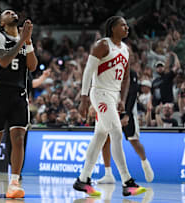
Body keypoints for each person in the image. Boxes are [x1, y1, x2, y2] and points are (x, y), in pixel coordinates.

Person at [74, 16, 146, 197]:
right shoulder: (102, 45)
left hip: (113, 96)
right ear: (112, 28)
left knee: (99, 136)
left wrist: (122, 99)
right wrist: (84, 98)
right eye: (123, 25)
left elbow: (127, 78)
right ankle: (127, 181)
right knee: (116, 132)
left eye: (127, 25)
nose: (127, 27)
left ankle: (83, 180)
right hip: (100, 93)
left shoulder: (126, 50)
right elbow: (88, 71)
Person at [0, 7, 37, 198]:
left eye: (13, 12)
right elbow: (3, 61)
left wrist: (28, 42)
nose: (12, 13)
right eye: (7, 13)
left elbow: (32, 66)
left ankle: (14, 182)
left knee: (19, 138)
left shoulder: (24, 39)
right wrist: (22, 40)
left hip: (19, 94)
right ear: (2, 22)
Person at [98, 69, 154, 184]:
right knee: (105, 139)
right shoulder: (109, 69)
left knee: (134, 140)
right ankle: (108, 174)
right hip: (111, 107)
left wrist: (127, 114)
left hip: (127, 109)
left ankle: (144, 162)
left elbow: (133, 94)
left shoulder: (132, 73)